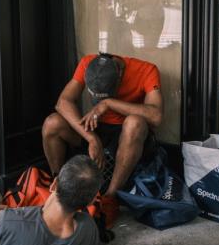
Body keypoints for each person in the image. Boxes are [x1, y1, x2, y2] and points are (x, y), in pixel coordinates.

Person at [42, 52, 163, 225]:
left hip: (125, 133)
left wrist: (108, 103)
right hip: (94, 127)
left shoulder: (146, 69)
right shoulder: (87, 63)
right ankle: (60, 186)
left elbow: (156, 116)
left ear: (120, 76)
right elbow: (63, 102)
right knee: (52, 123)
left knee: (135, 122)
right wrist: (91, 138)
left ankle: (110, 197)